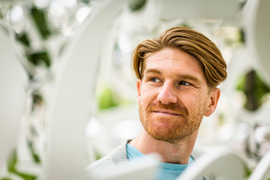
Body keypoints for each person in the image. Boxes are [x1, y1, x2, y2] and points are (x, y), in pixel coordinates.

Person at [86, 26, 227, 180]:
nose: (164, 96)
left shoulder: (219, 173)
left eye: (184, 83)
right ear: (139, 91)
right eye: (154, 79)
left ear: (211, 102)